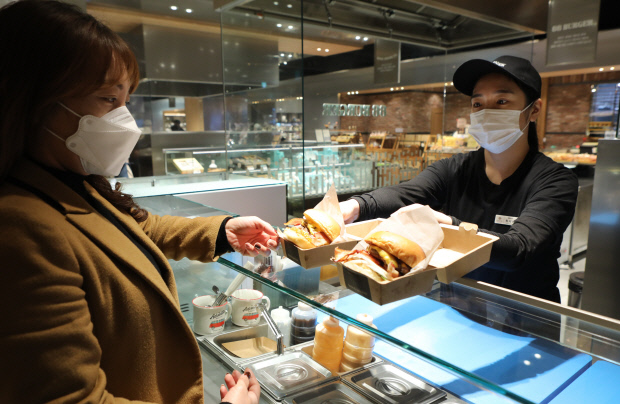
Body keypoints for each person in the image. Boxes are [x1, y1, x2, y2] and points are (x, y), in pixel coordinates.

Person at [0, 1, 276, 402]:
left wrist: (221, 232)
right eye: (108, 99)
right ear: (34, 101)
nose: (125, 119)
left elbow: (131, 228)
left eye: (126, 100)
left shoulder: (67, 183)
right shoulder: (20, 228)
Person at [340, 55, 578, 303]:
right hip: (458, 306)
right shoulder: (455, 168)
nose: (487, 113)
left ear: (534, 109)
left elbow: (518, 250)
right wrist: (355, 206)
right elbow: (406, 193)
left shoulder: (556, 182)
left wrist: (451, 224)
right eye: (478, 104)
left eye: (502, 101)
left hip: (524, 315)